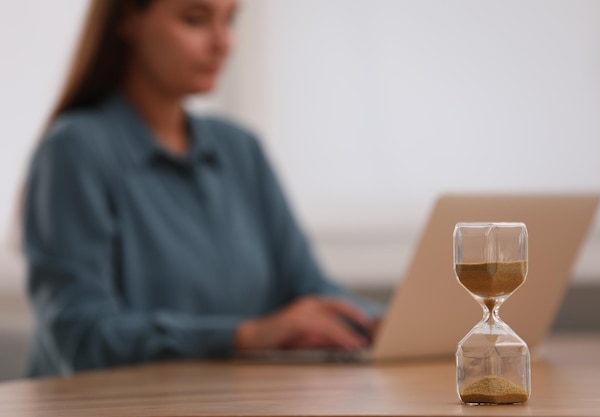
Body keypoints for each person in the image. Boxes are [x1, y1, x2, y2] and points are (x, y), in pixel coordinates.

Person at [22, 0, 383, 378]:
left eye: (230, 20)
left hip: (234, 401)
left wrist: (381, 323)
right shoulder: (75, 151)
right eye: (195, 20)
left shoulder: (241, 149)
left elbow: (308, 288)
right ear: (129, 18)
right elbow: (82, 338)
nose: (223, 42)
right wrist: (245, 336)